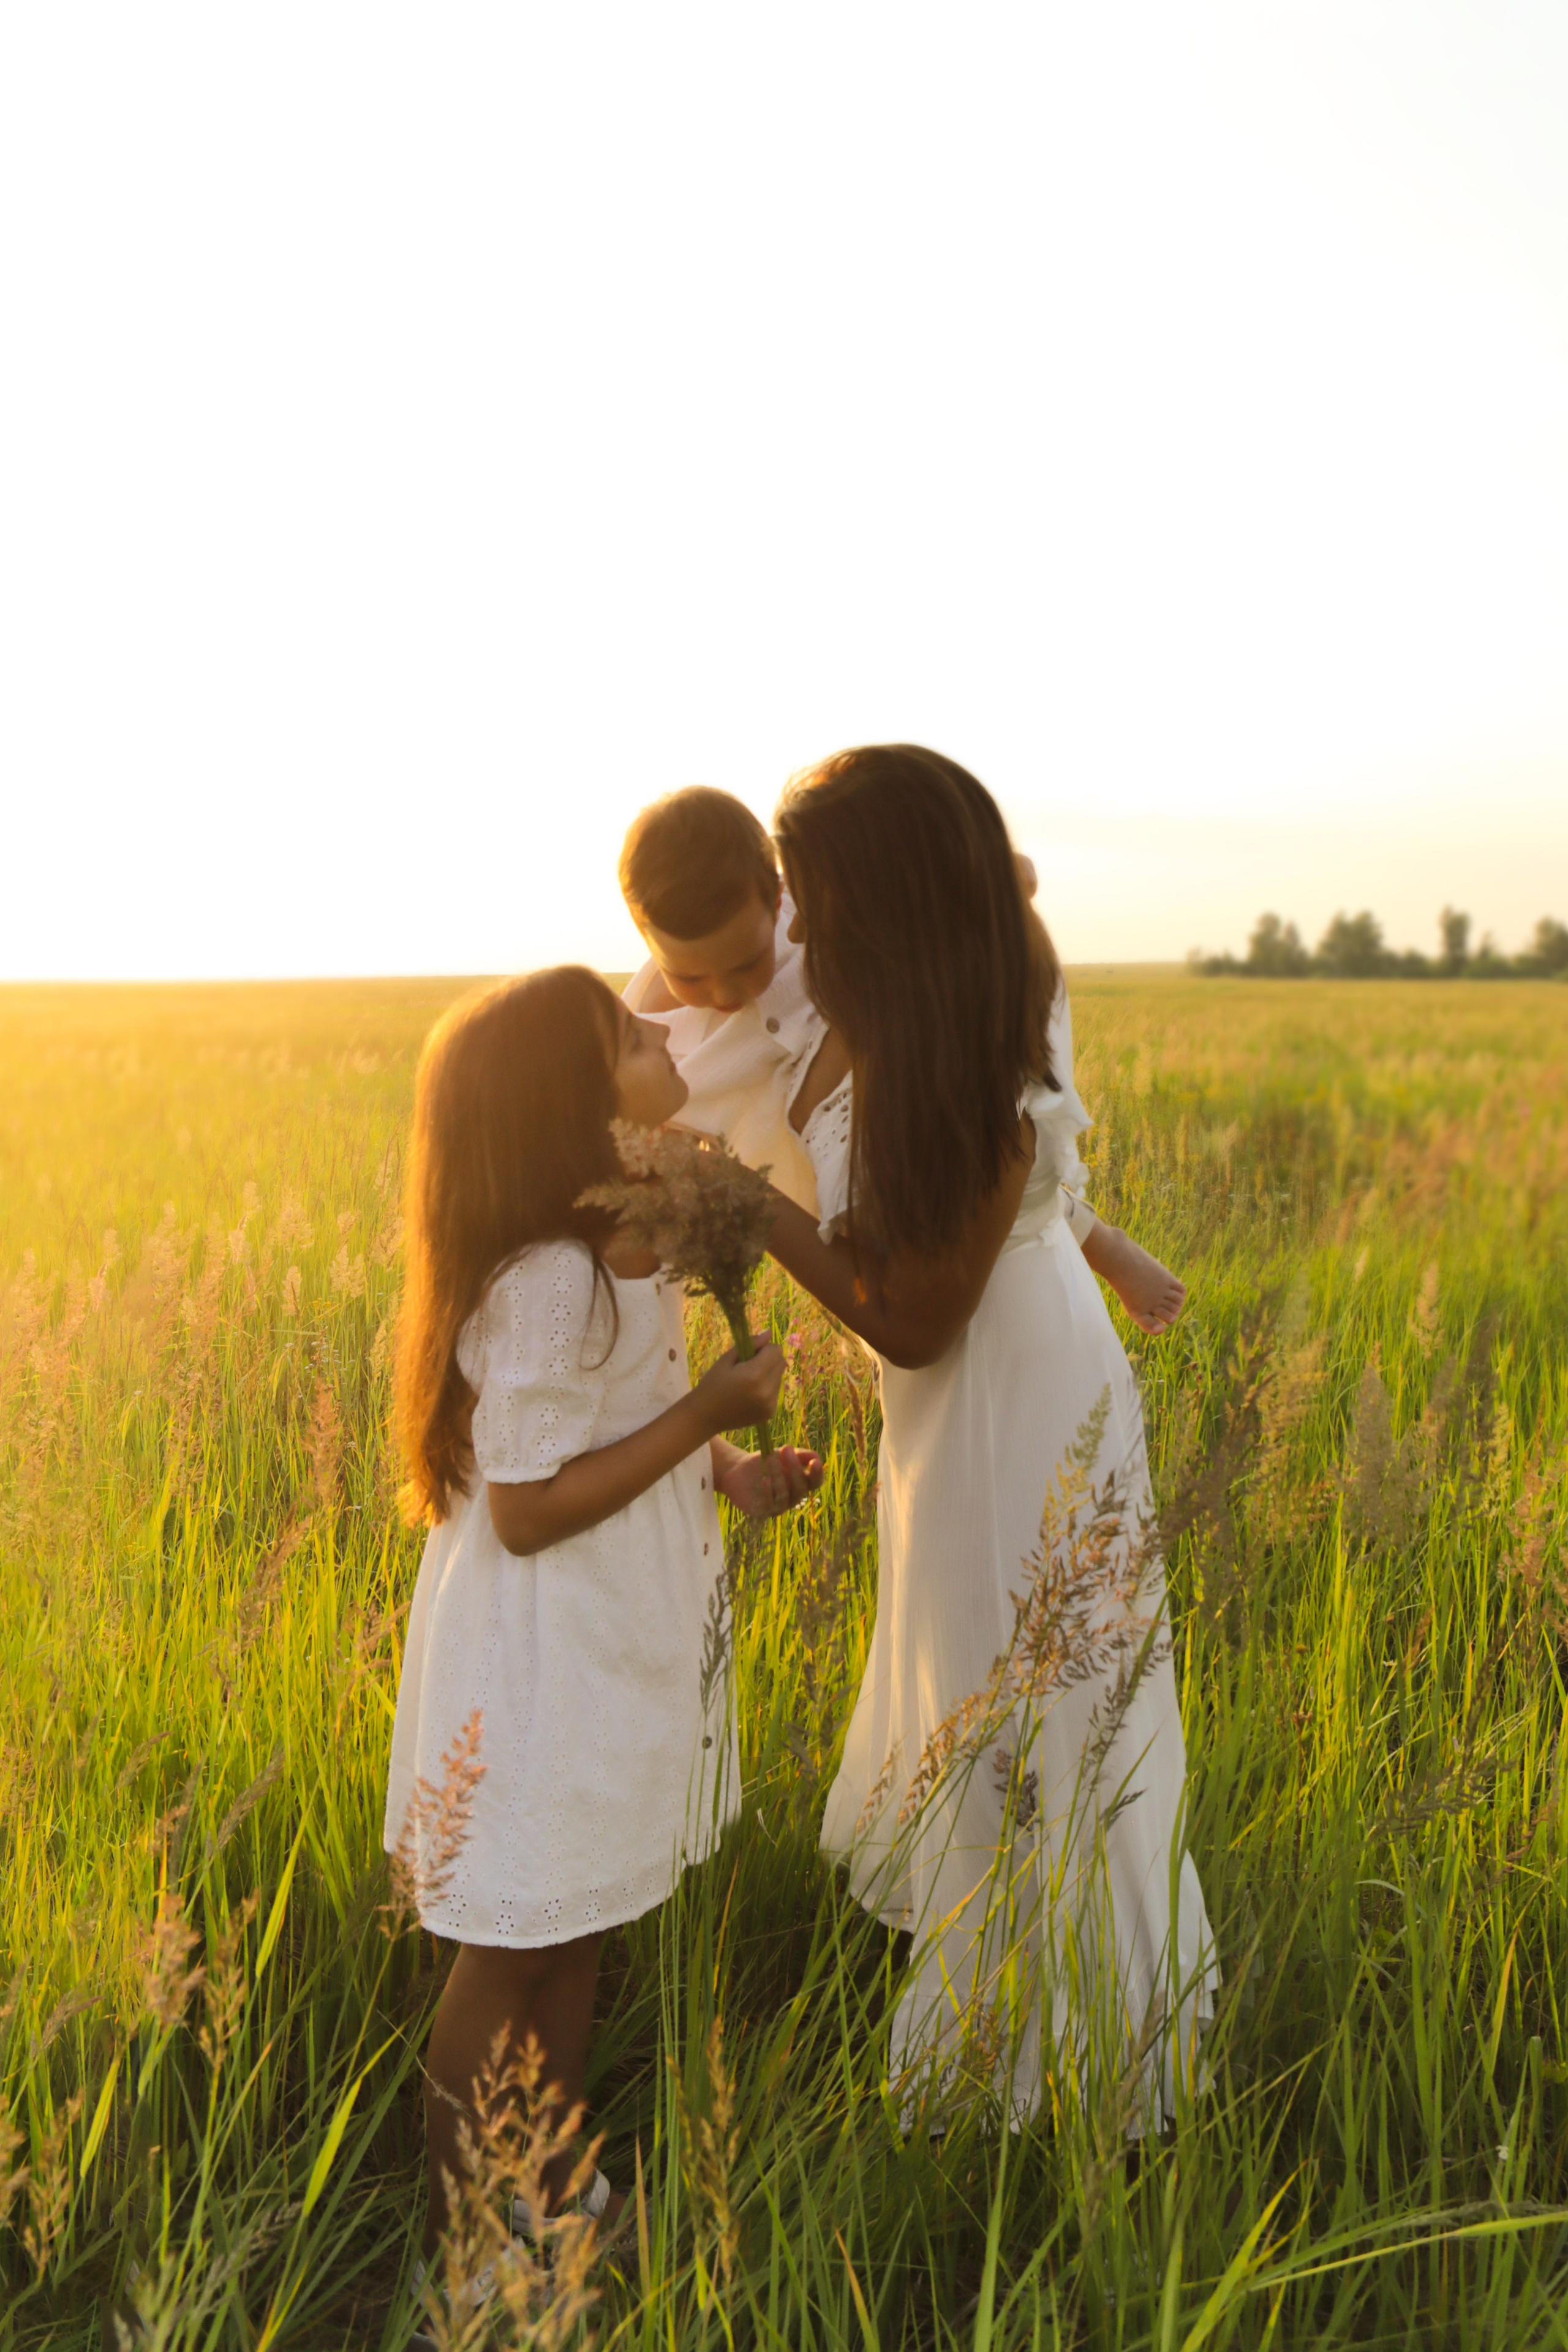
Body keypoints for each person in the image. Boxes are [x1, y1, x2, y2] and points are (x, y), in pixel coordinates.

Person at [764, 745, 1216, 2125]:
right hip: (950, 1415)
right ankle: (986, 1951)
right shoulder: (886, 993)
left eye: (810, 889)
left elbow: (909, 1319)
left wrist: (746, 1212)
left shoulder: (969, 1046)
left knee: (1038, 1701)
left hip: (1015, 1395)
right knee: (965, 1674)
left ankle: (1060, 2050)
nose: (792, 917)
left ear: (874, 899)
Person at [384, 967, 819, 2320]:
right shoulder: (549, 1282)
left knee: (574, 1919)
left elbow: (602, 1432)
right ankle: (473, 2232)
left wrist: (728, 1477)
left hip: (606, 1625)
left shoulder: (625, 1241)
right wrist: (705, 1420)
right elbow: (522, 1509)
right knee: (510, 1937)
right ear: (573, 1108)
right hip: (540, 1647)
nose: (659, 1032)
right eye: (629, 1037)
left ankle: (549, 2185)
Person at [619, 783, 1186, 1333]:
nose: (724, 993)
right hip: (813, 1206)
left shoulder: (819, 903)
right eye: (690, 975)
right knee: (890, 1300)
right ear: (645, 939)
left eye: (747, 962)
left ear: (776, 896)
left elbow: (1009, 874)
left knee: (977, 1171)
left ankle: (1101, 1243)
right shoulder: (648, 1030)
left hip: (882, 1116)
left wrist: (987, 876)